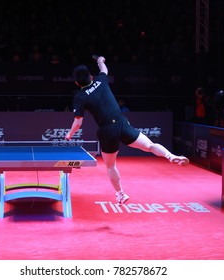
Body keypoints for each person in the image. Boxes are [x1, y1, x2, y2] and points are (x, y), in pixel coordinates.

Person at [65, 56, 189, 206]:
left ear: (77, 83)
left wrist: (69, 135)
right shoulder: (101, 80)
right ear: (91, 76)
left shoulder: (80, 96)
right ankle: (170, 156)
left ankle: (121, 194)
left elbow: (78, 123)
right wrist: (100, 60)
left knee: (111, 166)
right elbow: (104, 69)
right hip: (122, 123)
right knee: (150, 146)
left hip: (107, 130)